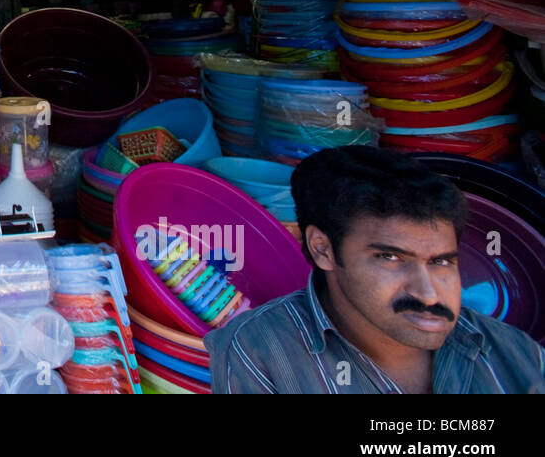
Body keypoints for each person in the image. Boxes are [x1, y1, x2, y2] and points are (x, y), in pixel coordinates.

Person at [206, 146, 545, 393]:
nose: (428, 293)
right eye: (391, 258)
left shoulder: (518, 354)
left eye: (441, 261)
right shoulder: (258, 350)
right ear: (322, 249)